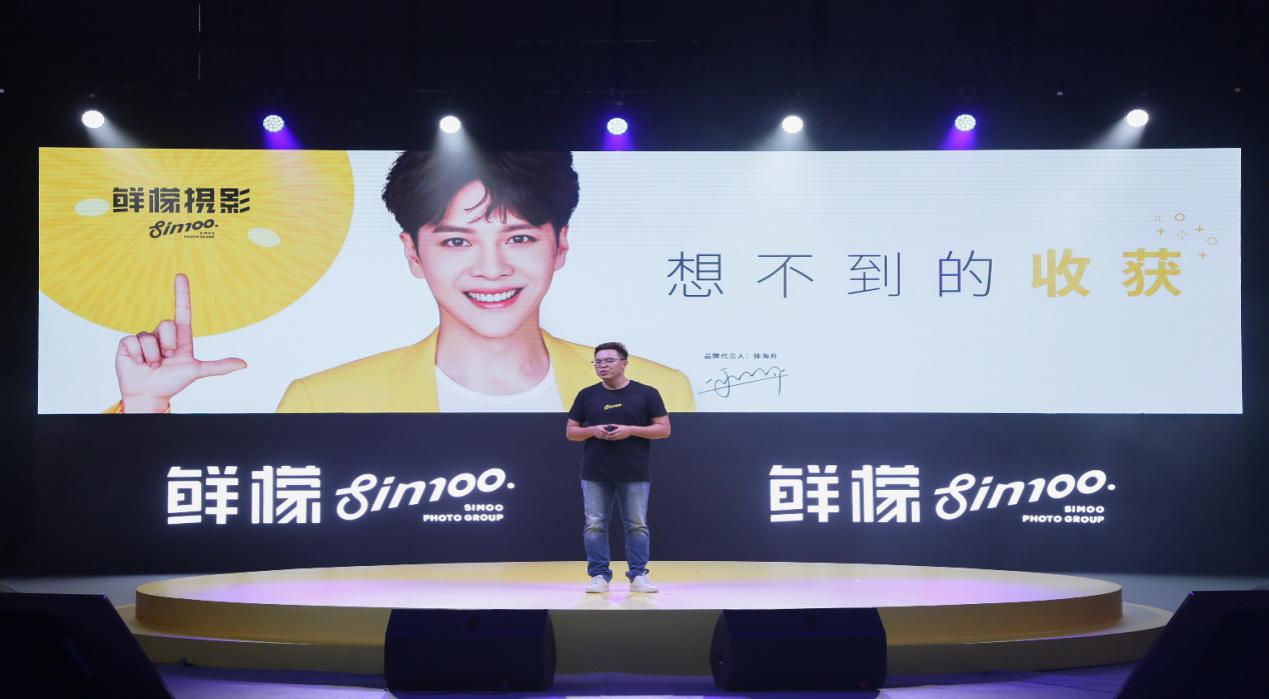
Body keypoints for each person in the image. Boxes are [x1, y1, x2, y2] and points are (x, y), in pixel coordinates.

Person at [110, 151, 694, 413]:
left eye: (518, 238)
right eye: (457, 241)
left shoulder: (661, 388)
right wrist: (144, 408)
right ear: (413, 253)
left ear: (560, 245)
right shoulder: (324, 402)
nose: (491, 268)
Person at [566, 342, 671, 593]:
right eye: (598, 361)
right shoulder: (587, 395)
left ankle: (638, 575)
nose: (602, 366)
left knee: (637, 525)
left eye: (608, 361)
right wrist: (592, 430)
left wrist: (631, 430)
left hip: (634, 471)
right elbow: (571, 432)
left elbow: (664, 429)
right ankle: (599, 575)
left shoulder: (646, 393)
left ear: (624, 363)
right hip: (595, 471)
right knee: (595, 525)